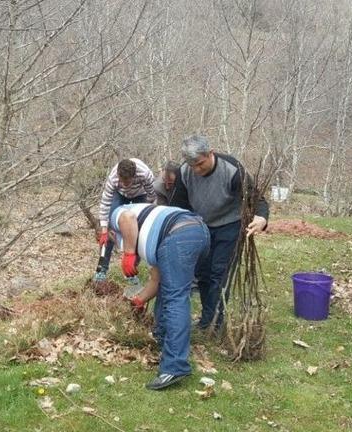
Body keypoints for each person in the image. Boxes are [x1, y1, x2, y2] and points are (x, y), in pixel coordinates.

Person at [170, 135, 269, 330]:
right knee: (203, 274)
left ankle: (215, 321)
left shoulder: (231, 170)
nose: (196, 170)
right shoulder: (184, 173)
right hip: (200, 226)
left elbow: (256, 199)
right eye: (192, 166)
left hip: (229, 225)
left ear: (210, 153)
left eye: (199, 164)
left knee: (219, 274)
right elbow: (178, 206)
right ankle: (209, 318)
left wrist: (261, 218)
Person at [110, 202, 209, 390]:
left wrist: (129, 254)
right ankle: (164, 339)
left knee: (176, 298)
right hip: (198, 233)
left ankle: (175, 366)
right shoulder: (154, 235)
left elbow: (127, 219)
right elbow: (157, 281)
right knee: (170, 288)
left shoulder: (116, 215)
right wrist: (139, 300)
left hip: (179, 235)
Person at [94, 158, 156, 283]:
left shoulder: (144, 174)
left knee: (137, 231)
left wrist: (143, 213)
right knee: (109, 231)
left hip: (140, 195)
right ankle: (101, 270)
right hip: (120, 195)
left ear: (134, 176)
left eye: (127, 182)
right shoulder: (113, 179)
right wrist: (105, 228)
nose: (124, 184)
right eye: (122, 181)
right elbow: (105, 203)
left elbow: (152, 195)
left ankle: (130, 272)